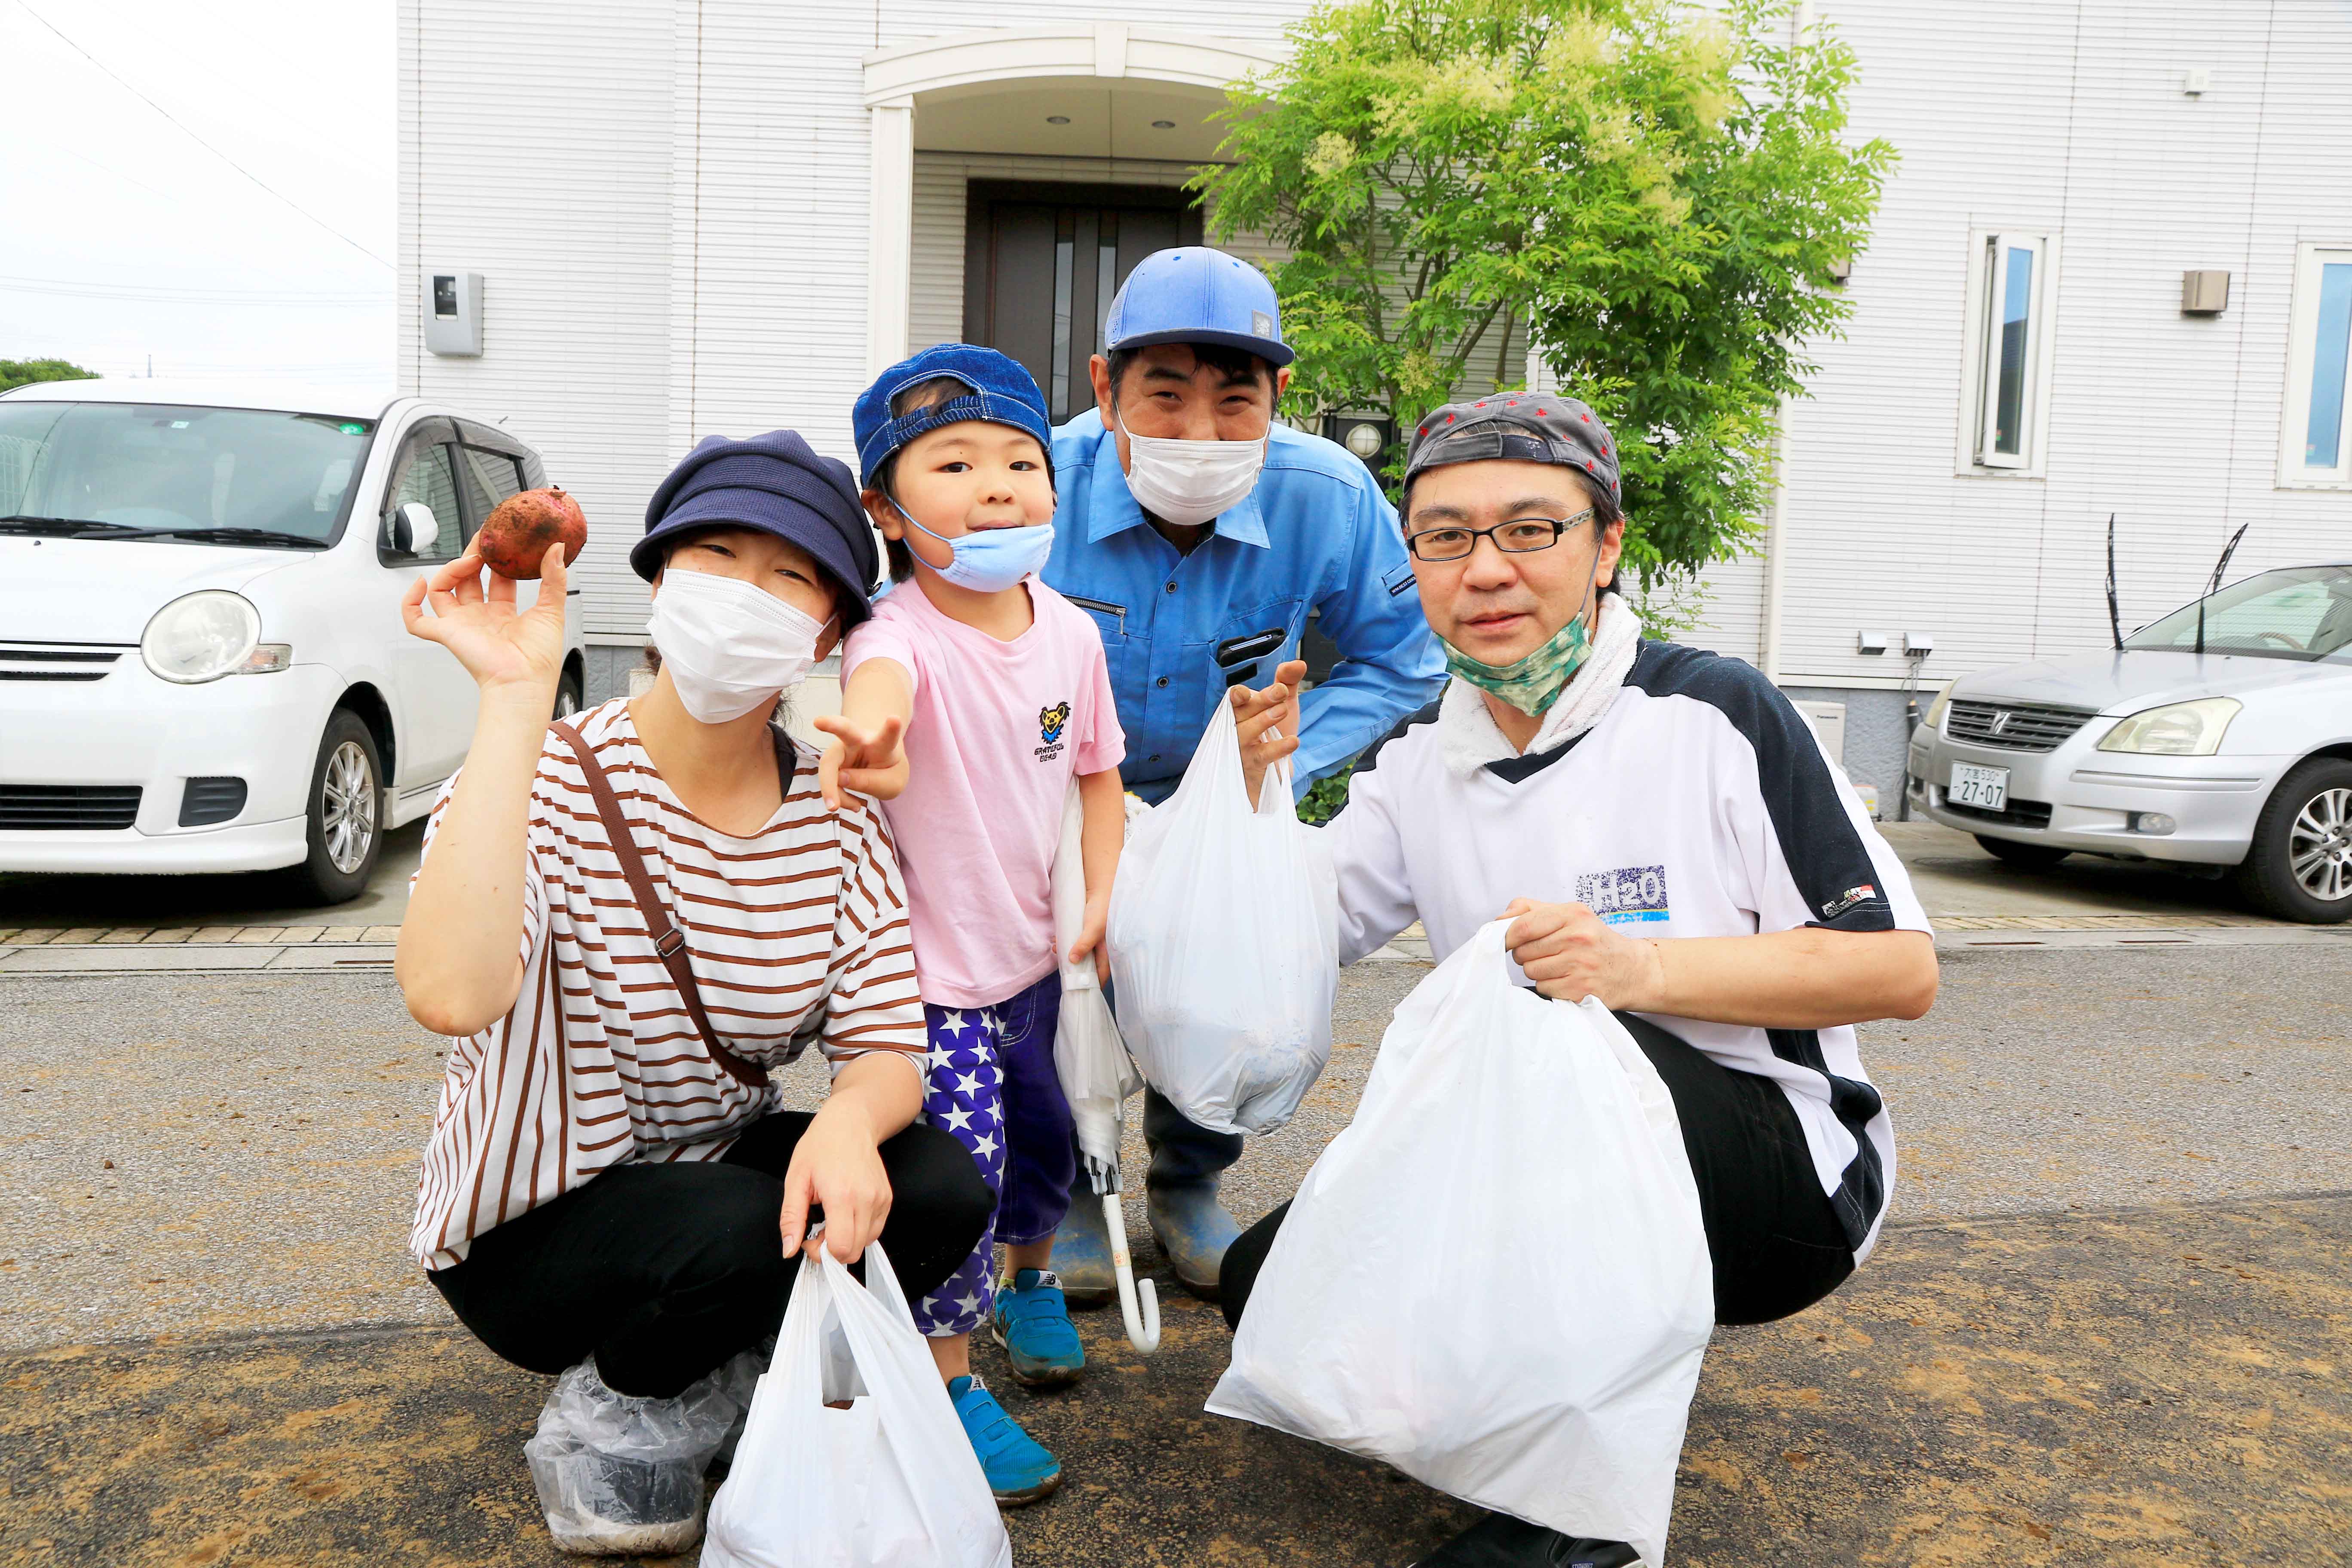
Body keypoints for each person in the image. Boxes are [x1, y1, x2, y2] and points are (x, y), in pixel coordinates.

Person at [1220, 396, 1940, 1568]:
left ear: (1606, 547)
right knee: (1273, 1285)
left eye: (1531, 530)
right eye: (1444, 537)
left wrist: (1636, 967)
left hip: (1778, 1181)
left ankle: (1574, 1512)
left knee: (1557, 1029)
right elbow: (1295, 930)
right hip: (1543, 1156)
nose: (1486, 569)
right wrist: (1239, 802)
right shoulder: (1419, 751)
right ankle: (1578, 1367)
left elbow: (1899, 970)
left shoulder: (1713, 712)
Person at [394, 431, 992, 1554]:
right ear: (661, 581)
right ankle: (626, 1394)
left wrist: (855, 1126)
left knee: (938, 1186)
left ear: (825, 629)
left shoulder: (836, 810)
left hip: (708, 1182)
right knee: (732, 1233)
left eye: (790, 573)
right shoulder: (549, 772)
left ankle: (726, 1359)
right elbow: (449, 992)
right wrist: (515, 705)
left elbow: (883, 1045)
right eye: (716, 555)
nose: (746, 594)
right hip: (529, 1229)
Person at [1040, 245, 1446, 1302]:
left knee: (1224, 981)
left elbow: (1404, 654)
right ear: (1104, 388)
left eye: (1236, 401)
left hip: (1236, 796)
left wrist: (1288, 749)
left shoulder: (1331, 495)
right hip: (1063, 792)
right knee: (1056, 986)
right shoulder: (1034, 484)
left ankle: (1187, 1181)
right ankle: (1079, 1192)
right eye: (1163, 398)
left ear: (1280, 396)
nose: (1200, 433)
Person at [819, 344, 1127, 1504]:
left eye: (1019, 461)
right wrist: (870, 746)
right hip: (926, 987)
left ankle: (1036, 1281)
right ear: (885, 509)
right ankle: (951, 1382)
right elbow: (879, 713)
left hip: (1041, 966)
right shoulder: (893, 635)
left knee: (1053, 1144)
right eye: (953, 463)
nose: (998, 486)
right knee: (965, 1175)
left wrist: (1096, 902)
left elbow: (1099, 777)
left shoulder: (1074, 637)